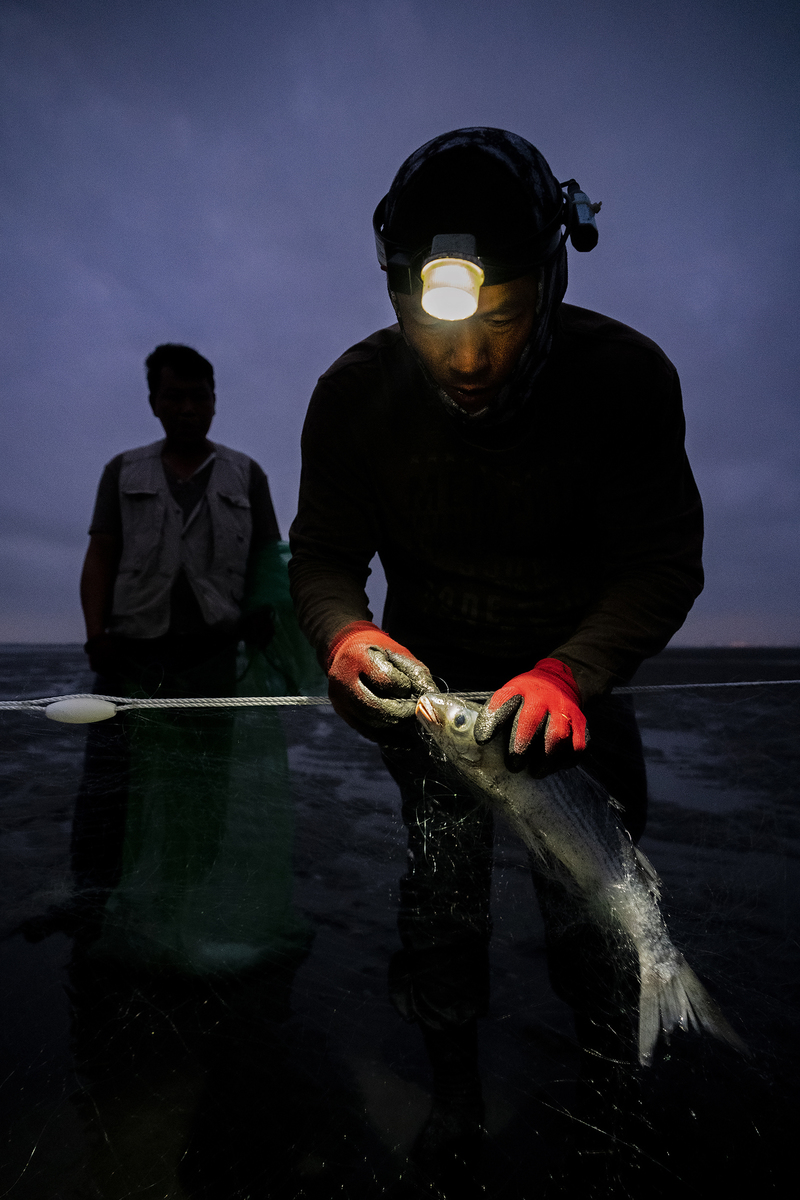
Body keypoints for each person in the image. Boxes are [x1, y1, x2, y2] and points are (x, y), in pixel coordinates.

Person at [288, 128, 703, 1185]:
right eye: (436, 332)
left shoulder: (624, 381)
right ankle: (455, 1098)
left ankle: (612, 1093)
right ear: (396, 295)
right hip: (430, 703)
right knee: (439, 907)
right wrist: (344, 633)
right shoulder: (349, 397)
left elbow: (660, 564)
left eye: (505, 320)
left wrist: (571, 672)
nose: (468, 362)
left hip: (574, 696)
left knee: (596, 920)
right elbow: (325, 558)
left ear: (552, 282)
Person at [73, 342, 281, 908]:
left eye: (199, 396)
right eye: (174, 396)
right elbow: (101, 556)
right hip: (128, 658)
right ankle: (93, 901)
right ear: (154, 402)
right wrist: (96, 635)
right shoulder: (122, 471)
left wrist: (265, 615)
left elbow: (270, 561)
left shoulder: (246, 475)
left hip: (212, 663)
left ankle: (186, 899)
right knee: (108, 790)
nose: (187, 408)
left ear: (214, 402)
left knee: (201, 788)